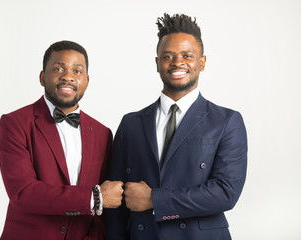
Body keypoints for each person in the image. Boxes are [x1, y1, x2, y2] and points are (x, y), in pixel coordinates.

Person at [105, 13, 248, 240]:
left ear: (201, 62)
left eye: (187, 56)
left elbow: (225, 193)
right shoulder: (131, 123)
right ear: (157, 63)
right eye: (168, 56)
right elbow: (114, 203)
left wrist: (155, 199)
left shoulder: (226, 121)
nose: (177, 63)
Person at [0, 40, 123, 240]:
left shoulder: (102, 133)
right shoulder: (15, 123)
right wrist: (94, 197)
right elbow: (23, 193)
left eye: (77, 71)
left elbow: (104, 211)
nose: (68, 77)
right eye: (58, 69)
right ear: (42, 77)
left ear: (87, 81)